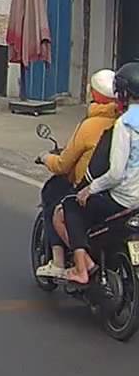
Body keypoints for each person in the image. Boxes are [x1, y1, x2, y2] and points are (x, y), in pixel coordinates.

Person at [57, 61, 139, 285]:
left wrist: (89, 189)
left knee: (71, 205)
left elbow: (116, 174)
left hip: (124, 200)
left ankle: (81, 268)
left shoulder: (124, 124)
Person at [35, 69, 119, 279]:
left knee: (56, 200)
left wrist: (45, 157)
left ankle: (60, 261)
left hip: (92, 187)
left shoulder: (90, 126)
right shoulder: (123, 122)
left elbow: (63, 165)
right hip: (118, 190)